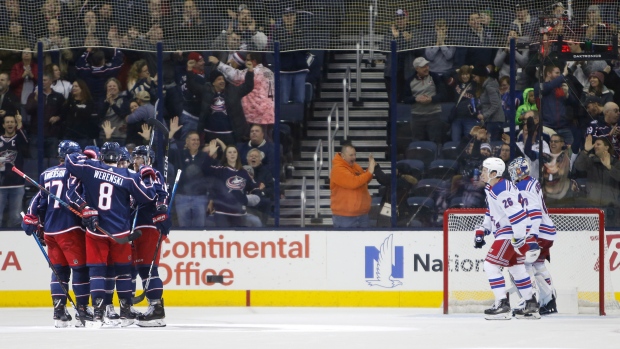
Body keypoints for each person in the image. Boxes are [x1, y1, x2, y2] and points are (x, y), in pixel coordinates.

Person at [65, 142, 157, 327]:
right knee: (123, 273)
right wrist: (148, 176)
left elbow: (69, 160)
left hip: (95, 230)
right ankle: (125, 314)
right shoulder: (128, 176)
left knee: (97, 273)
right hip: (120, 232)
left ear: (102, 156)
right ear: (120, 158)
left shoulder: (90, 168)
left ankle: (98, 315)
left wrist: (87, 155)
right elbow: (148, 197)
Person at [22, 140, 92, 327]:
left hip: (51, 231)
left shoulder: (46, 173)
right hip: (70, 228)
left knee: (59, 272)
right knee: (80, 269)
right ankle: (82, 312)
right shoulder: (76, 171)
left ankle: (59, 313)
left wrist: (31, 218)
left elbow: (38, 200)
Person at [474, 157, 540, 319]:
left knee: (490, 265)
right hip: (510, 232)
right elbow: (492, 212)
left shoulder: (501, 189)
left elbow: (516, 215)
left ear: (494, 173)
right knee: (516, 269)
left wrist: (518, 238)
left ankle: (502, 304)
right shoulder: (494, 187)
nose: (481, 173)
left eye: (485, 170)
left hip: (509, 233)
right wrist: (484, 229)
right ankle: (530, 304)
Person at [508, 157, 558, 315]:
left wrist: (532, 237)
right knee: (538, 264)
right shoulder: (532, 182)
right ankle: (549, 301)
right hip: (547, 230)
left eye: (513, 170)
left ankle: (531, 301)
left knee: (523, 264)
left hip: (539, 231)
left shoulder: (523, 186)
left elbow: (534, 213)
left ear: (519, 171)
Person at [130, 145, 171, 327]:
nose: (135, 160)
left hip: (148, 225)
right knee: (140, 268)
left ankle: (156, 311)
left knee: (147, 268)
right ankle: (153, 307)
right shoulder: (137, 175)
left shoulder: (151, 173)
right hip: (138, 226)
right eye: (135, 157)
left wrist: (161, 207)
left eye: (139, 157)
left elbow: (158, 195)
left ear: (148, 159)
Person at [210, 52, 275, 136]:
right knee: (267, 139)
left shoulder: (254, 72)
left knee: (258, 141)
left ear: (254, 61)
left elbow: (235, 76)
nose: (245, 62)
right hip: (269, 113)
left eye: (247, 60)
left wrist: (219, 63)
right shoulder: (269, 71)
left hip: (256, 113)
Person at [202, 139, 260, 227]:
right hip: (222, 213)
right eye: (229, 152)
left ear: (237, 155)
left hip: (239, 214)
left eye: (234, 152)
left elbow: (254, 188)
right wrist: (210, 155)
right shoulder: (220, 169)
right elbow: (205, 169)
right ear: (226, 155)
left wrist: (245, 200)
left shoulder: (244, 172)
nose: (232, 154)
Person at [197, 62, 254, 145]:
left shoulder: (233, 91)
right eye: (219, 79)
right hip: (210, 135)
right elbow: (192, 86)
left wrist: (250, 72)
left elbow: (248, 86)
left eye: (223, 79)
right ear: (213, 83)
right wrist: (189, 71)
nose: (222, 81)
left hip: (229, 135)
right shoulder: (206, 92)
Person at [574, 135, 620, 227]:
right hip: (593, 207)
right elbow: (578, 166)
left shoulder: (616, 163)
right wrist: (585, 151)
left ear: (606, 147)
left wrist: (609, 167)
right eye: (594, 144)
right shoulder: (591, 161)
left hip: (612, 209)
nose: (595, 146)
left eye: (598, 144)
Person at [402, 57, 448, 146]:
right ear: (417, 69)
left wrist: (431, 99)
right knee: (417, 141)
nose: (426, 68)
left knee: (436, 141)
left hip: (434, 114)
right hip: (417, 116)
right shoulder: (410, 81)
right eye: (423, 66)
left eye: (427, 65)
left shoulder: (435, 77)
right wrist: (415, 99)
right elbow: (405, 98)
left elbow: (443, 95)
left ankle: (437, 158)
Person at [170, 129, 210, 228]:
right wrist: (170, 136)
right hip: (182, 197)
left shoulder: (204, 156)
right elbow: (165, 151)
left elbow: (209, 177)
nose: (196, 142)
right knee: (184, 228)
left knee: (200, 228)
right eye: (193, 140)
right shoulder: (179, 154)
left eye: (197, 140)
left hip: (200, 197)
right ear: (187, 142)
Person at [330, 142, 375, 228]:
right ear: (343, 156)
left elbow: (364, 181)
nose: (354, 157)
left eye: (355, 154)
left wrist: (370, 168)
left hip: (362, 215)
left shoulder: (355, 166)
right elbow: (353, 183)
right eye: (351, 155)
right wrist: (369, 172)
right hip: (345, 217)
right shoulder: (338, 169)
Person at [25, 71, 65, 158]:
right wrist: (36, 98)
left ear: (50, 81)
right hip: (36, 134)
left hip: (52, 134)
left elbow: (64, 113)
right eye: (41, 80)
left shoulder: (58, 96)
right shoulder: (33, 96)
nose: (42, 82)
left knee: (52, 162)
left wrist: (58, 117)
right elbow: (28, 110)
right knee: (35, 162)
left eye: (45, 80)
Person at [534, 64, 575, 145]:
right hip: (548, 127)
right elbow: (548, 87)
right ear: (549, 74)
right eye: (557, 73)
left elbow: (573, 103)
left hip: (564, 127)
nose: (559, 75)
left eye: (560, 73)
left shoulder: (561, 86)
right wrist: (563, 75)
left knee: (570, 152)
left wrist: (567, 95)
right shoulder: (539, 86)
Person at [0, 113, 29, 227]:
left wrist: (20, 125)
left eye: (12, 122)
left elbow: (26, 146)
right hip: (1, 184)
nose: (10, 124)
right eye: (7, 122)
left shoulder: (19, 139)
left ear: (15, 124)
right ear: (3, 125)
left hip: (17, 184)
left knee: (15, 217)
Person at [62, 79, 97, 150]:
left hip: (82, 135)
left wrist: (74, 105)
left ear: (82, 88)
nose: (74, 88)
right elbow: (64, 114)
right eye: (73, 86)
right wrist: (70, 101)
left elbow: (85, 114)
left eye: (76, 86)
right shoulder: (69, 101)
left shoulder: (89, 102)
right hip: (69, 135)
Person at [472, 65, 504, 141]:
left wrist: (484, 115)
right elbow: (486, 102)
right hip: (490, 121)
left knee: (493, 144)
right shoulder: (485, 86)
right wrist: (477, 107)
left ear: (481, 76)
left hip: (495, 121)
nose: (474, 79)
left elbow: (496, 104)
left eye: (475, 76)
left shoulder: (489, 87)